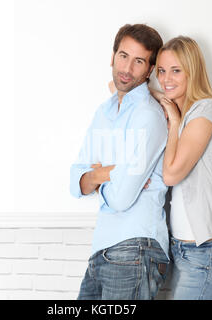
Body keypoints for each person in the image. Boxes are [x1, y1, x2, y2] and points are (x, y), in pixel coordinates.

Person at [70, 24, 170, 300]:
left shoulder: (147, 116)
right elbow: (76, 180)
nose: (127, 68)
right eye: (123, 56)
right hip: (103, 246)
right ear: (112, 56)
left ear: (149, 69)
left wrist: (97, 178)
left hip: (136, 247)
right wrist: (105, 174)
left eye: (139, 61)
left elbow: (123, 197)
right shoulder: (103, 112)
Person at [152, 36, 212, 299]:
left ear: (192, 72)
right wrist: (167, 105)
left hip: (205, 252)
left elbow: (171, 174)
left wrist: (174, 121)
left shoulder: (205, 110)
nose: (166, 79)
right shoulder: (183, 110)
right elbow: (114, 87)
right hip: (182, 250)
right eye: (161, 71)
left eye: (176, 70)